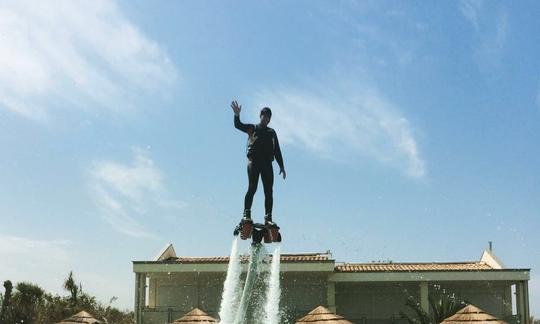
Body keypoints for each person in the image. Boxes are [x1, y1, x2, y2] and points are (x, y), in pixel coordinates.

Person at [231, 100, 286, 226]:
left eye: (268, 117)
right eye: (264, 115)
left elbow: (277, 150)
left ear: (269, 119)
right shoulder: (252, 128)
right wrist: (236, 115)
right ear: (260, 116)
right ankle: (247, 213)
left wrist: (281, 165)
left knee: (269, 191)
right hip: (254, 162)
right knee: (252, 187)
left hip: (267, 164)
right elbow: (238, 125)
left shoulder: (271, 133)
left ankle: (268, 217)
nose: (266, 118)